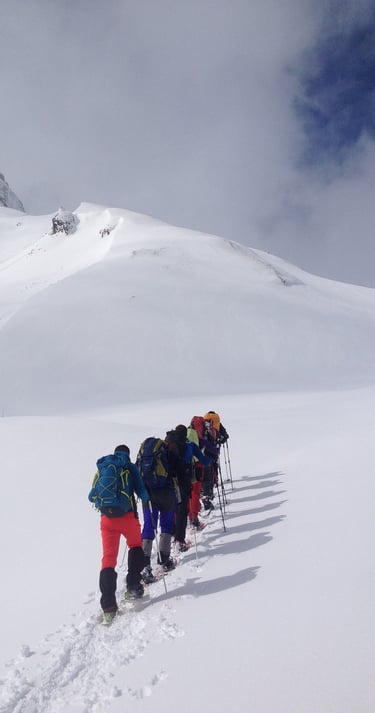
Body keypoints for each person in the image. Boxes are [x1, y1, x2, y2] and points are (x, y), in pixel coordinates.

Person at [88, 444, 149, 624]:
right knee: (136, 546)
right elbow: (143, 493)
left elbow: (91, 496)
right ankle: (133, 587)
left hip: (106, 520)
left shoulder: (104, 467)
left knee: (108, 559)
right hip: (127, 517)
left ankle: (108, 606)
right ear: (127, 455)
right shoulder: (129, 467)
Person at [167, 424, 211, 549]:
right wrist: (210, 460)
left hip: (169, 479)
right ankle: (180, 541)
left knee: (174, 507)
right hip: (183, 479)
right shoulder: (190, 445)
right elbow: (202, 460)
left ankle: (172, 533)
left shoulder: (168, 443)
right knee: (183, 509)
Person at [139, 438, 178, 582]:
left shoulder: (143, 455)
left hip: (148, 495)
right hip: (166, 493)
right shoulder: (167, 453)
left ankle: (145, 566)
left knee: (149, 527)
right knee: (166, 526)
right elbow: (175, 472)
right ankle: (164, 560)